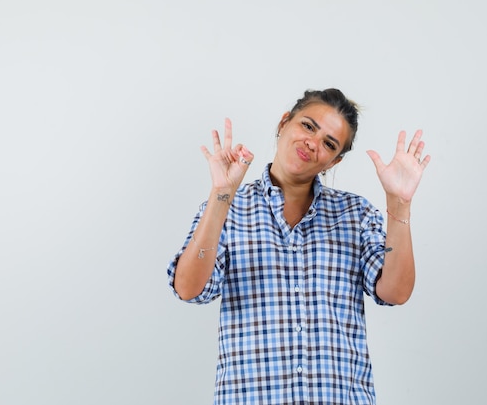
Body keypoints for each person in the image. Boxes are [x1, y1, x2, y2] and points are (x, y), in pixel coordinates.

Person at [167, 88, 430, 405]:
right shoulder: (230, 210)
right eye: (308, 126)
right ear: (284, 123)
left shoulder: (355, 214)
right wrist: (222, 195)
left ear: (334, 161)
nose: (313, 143)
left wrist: (399, 204)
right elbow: (188, 288)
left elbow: (395, 292)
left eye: (329, 144)